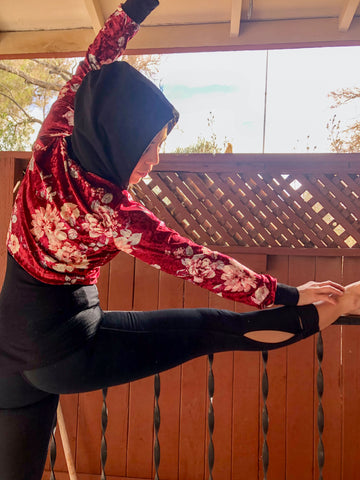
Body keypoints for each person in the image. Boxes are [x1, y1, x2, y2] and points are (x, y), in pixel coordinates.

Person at [0, 0, 359, 478]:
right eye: (148, 147)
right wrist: (288, 292)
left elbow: (97, 58)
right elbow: (197, 263)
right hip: (66, 348)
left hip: (7, 347)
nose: (153, 162)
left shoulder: (56, 132)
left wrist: (136, 8)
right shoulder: (111, 210)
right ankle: (336, 305)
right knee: (209, 328)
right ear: (120, 137)